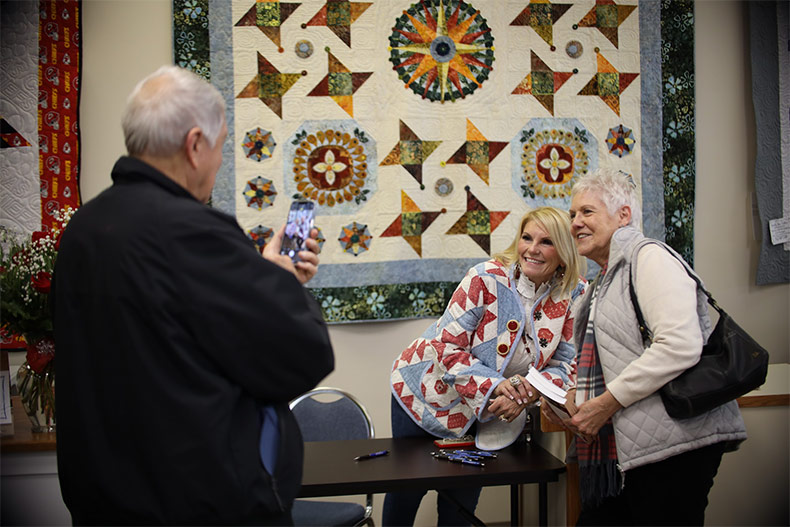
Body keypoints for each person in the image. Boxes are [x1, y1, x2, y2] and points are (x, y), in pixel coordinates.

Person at [52, 65, 335, 526]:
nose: (220, 161)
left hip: (104, 498)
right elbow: (302, 352)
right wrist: (281, 281)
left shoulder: (84, 229)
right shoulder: (191, 233)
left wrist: (262, 274)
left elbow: (171, 338)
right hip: (194, 502)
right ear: (195, 144)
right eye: (221, 146)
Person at [544, 168, 747, 526]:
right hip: (633, 448)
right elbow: (613, 356)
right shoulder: (605, 280)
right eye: (573, 214)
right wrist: (575, 397)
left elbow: (679, 345)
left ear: (623, 215)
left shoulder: (650, 259)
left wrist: (604, 404)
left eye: (587, 212)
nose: (575, 223)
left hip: (675, 447)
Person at [384, 207, 587, 526]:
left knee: (462, 499)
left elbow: (566, 363)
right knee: (408, 490)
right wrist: (497, 386)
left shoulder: (576, 293)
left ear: (563, 253)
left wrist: (525, 393)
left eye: (546, 242)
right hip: (426, 394)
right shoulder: (485, 278)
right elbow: (447, 345)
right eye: (527, 238)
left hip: (487, 410)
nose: (532, 249)